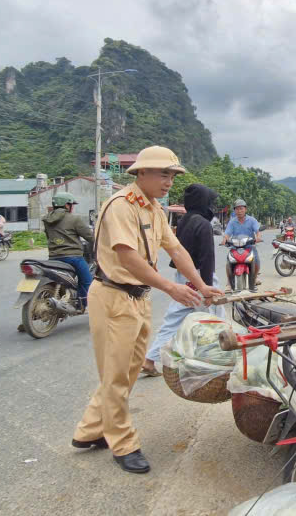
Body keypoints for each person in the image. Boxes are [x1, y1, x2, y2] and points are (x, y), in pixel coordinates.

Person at [71, 146, 223, 474]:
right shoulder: (121, 206)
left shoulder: (154, 208)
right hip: (113, 295)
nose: (169, 181)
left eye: (172, 175)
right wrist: (172, 288)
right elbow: (128, 258)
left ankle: (89, 430)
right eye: (163, 173)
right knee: (116, 373)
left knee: (127, 369)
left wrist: (199, 284)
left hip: (138, 298)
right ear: (141, 173)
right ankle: (122, 442)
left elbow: (177, 249)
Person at [142, 183, 223, 378]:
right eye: (210, 201)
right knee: (213, 316)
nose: (212, 205)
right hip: (197, 276)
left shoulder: (185, 220)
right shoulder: (203, 224)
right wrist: (207, 287)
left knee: (176, 318)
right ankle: (215, 362)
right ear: (204, 202)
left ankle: (150, 359)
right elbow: (207, 258)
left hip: (183, 274)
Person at [39, 192, 93, 317]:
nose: (72, 207)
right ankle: (81, 305)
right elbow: (89, 237)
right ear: (67, 205)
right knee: (86, 280)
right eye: (71, 204)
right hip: (72, 257)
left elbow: (49, 237)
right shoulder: (74, 219)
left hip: (53, 257)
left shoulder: (47, 219)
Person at [223, 199, 261, 286]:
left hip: (249, 245)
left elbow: (257, 231)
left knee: (257, 260)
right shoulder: (232, 222)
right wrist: (225, 239)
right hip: (235, 246)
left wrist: (258, 237)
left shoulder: (252, 220)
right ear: (234, 210)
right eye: (237, 209)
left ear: (245, 209)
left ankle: (254, 277)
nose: (239, 211)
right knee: (229, 261)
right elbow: (227, 233)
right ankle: (229, 281)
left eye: (241, 208)